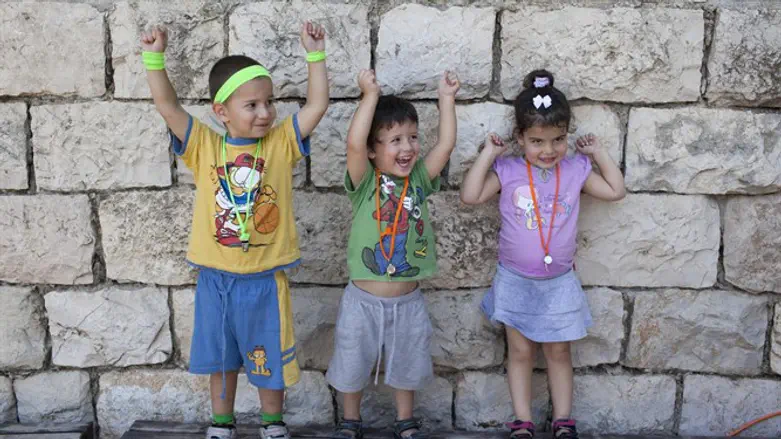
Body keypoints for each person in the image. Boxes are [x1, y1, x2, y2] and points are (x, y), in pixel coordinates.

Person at [140, 22, 329, 439]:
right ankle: (221, 424)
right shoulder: (204, 146)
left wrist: (315, 55)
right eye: (252, 105)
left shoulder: (280, 144)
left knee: (270, 362)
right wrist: (155, 59)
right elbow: (168, 108)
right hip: (215, 280)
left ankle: (272, 424)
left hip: (264, 281)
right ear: (221, 111)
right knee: (221, 360)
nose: (265, 113)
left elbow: (316, 106)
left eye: (269, 102)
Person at [460, 69, 626, 439]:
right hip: (516, 279)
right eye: (536, 141)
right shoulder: (509, 170)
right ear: (520, 138)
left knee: (558, 352)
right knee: (519, 352)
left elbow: (615, 190)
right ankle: (522, 420)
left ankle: (563, 420)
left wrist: (597, 152)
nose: (548, 151)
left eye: (557, 140)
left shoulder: (576, 170)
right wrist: (489, 153)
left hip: (559, 281)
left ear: (566, 136)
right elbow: (470, 196)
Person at [326, 68, 460, 439]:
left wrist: (446, 100)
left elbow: (445, 146)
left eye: (412, 138)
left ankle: (406, 420)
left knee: (407, 361)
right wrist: (369, 95)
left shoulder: (418, 179)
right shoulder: (365, 180)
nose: (407, 148)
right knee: (352, 359)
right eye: (395, 140)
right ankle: (350, 421)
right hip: (363, 300)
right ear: (374, 150)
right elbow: (354, 145)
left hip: (408, 300)